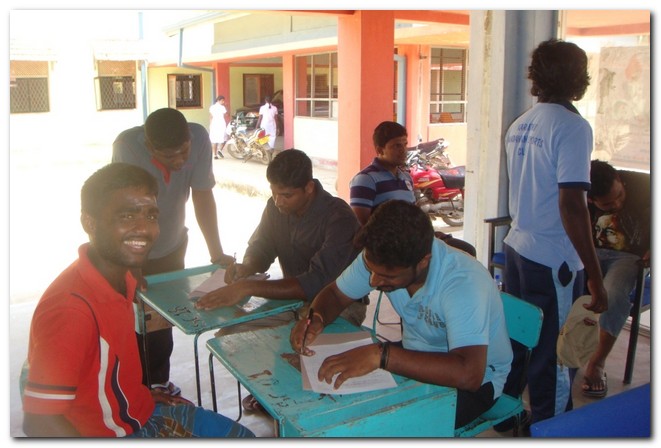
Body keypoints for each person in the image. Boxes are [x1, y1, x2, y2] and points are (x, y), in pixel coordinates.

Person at [22, 163, 254, 438]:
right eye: (127, 215)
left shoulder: (125, 278)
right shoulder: (71, 310)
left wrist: (137, 395)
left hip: (139, 411)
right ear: (89, 223)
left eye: (151, 215)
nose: (144, 229)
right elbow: (39, 423)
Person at [289, 199, 513, 429]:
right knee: (337, 410)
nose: (374, 281)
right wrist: (316, 318)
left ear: (423, 262)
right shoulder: (381, 257)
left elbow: (469, 375)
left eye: (387, 276)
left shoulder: (462, 283)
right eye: (371, 270)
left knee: (387, 428)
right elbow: (336, 294)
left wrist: (381, 356)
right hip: (415, 353)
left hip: (476, 381)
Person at [195, 149, 367, 412]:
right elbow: (262, 247)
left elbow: (315, 282)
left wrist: (249, 286)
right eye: (274, 193)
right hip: (291, 300)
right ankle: (270, 391)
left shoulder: (339, 217)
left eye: (286, 195)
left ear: (309, 187)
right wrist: (246, 267)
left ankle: (298, 407)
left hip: (339, 305)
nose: (278, 201)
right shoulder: (276, 208)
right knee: (230, 334)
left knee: (301, 350)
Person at [500, 38, 608, 428]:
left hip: (517, 249)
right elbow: (572, 205)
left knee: (519, 339)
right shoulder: (572, 127)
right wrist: (595, 277)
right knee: (557, 354)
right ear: (578, 78)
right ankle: (553, 428)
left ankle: (506, 414)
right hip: (552, 259)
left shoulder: (521, 124)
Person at [113, 107, 234, 396]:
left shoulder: (200, 138)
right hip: (131, 249)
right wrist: (133, 265)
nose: (180, 161)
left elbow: (203, 196)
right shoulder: (128, 147)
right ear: (150, 146)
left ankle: (157, 384)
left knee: (161, 320)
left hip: (172, 245)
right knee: (129, 320)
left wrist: (216, 254)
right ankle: (131, 390)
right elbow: (126, 211)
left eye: (184, 152)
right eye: (170, 156)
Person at [349, 121, 476, 256]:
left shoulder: (405, 177)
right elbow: (362, 225)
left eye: (405, 144)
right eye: (397, 146)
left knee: (466, 250)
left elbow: (413, 215)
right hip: (392, 248)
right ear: (380, 150)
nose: (403, 150)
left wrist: (428, 233)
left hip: (413, 240)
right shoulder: (366, 179)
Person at [582, 160, 650, 398]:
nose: (618, 204)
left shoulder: (646, 185)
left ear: (620, 180)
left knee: (612, 294)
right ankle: (563, 352)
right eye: (608, 205)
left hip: (629, 257)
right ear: (592, 200)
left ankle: (597, 362)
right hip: (588, 253)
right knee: (561, 284)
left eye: (620, 196)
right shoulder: (580, 193)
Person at [256, 95, 279, 161]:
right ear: (271, 100)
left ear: (265, 100)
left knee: (263, 137)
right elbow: (276, 119)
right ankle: (271, 151)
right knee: (272, 137)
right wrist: (277, 127)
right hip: (272, 125)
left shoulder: (262, 108)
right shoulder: (275, 108)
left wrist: (257, 126)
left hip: (264, 125)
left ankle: (265, 151)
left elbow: (260, 118)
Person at [209, 95, 229, 159]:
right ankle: (219, 150)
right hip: (221, 124)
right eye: (222, 100)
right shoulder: (222, 107)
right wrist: (226, 107)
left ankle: (215, 155)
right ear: (218, 100)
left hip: (214, 124)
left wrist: (210, 124)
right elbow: (227, 115)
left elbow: (211, 116)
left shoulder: (212, 107)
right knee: (225, 138)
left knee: (214, 139)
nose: (223, 102)